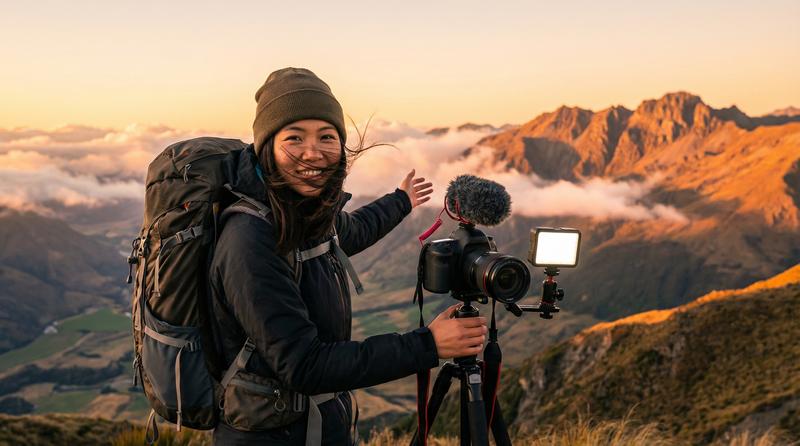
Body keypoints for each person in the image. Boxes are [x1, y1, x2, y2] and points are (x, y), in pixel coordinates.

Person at [209, 67, 487, 446]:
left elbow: (350, 231)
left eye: (327, 136)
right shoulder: (250, 237)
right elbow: (305, 366)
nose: (313, 152)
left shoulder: (299, 210)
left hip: (316, 426)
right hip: (271, 436)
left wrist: (400, 201)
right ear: (266, 147)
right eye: (294, 138)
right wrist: (428, 345)